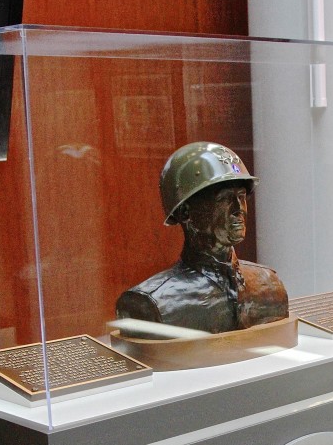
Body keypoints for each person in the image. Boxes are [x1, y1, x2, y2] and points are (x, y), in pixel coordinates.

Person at [116, 142, 288, 335]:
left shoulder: (270, 285)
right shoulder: (148, 303)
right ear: (184, 211)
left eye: (241, 196)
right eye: (223, 198)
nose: (238, 208)